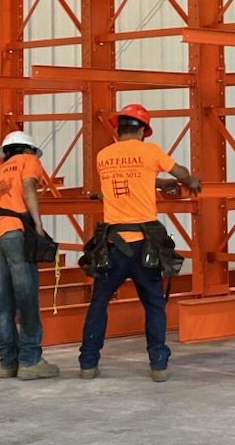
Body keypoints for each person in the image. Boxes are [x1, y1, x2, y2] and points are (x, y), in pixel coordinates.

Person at [78, 104, 202, 383]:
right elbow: (181, 173)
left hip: (112, 245)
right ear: (144, 131)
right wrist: (190, 181)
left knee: (98, 305)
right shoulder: (151, 152)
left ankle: (88, 364)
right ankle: (158, 365)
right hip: (144, 247)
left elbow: (127, 179)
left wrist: (158, 184)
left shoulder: (103, 156)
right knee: (154, 305)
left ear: (119, 128)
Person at [0, 130, 59, 379]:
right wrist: (38, 224)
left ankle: (8, 363)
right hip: (15, 232)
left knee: (0, 304)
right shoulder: (28, 160)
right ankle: (30, 361)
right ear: (28, 150)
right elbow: (28, 185)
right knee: (26, 297)